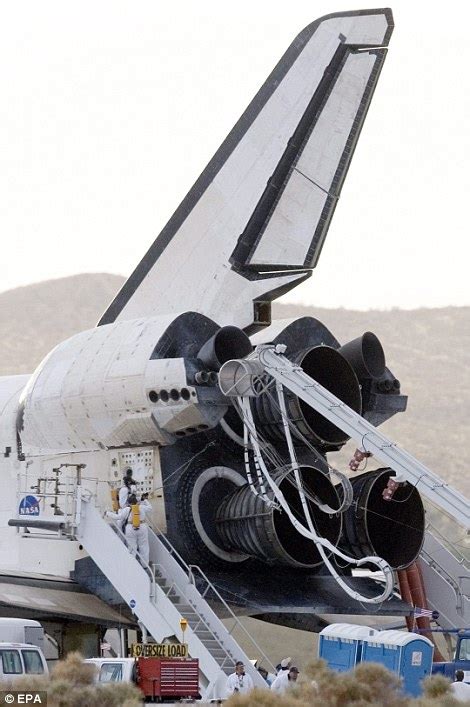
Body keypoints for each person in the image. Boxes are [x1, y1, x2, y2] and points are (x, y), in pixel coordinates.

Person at [106, 493, 152, 565]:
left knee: (132, 547)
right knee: (143, 546)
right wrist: (145, 499)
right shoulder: (142, 507)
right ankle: (145, 564)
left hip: (130, 528)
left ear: (129, 502)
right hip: (142, 526)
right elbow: (150, 508)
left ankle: (132, 564)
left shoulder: (127, 509)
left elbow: (118, 517)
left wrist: (108, 513)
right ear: (137, 501)